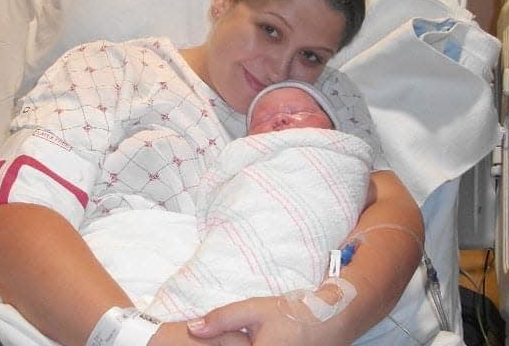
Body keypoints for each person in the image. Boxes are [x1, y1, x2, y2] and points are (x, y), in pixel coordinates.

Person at [0, 0, 423, 346]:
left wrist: (322, 319)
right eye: (270, 30)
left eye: (312, 56)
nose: (281, 68)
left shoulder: (332, 101)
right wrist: (141, 339)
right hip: (91, 318)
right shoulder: (114, 71)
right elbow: (10, 218)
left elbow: (395, 217)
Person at [139, 80, 372, 322]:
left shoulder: (341, 159)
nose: (281, 119)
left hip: (306, 278)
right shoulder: (248, 159)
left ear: (333, 129)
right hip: (240, 241)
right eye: (263, 120)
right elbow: (229, 193)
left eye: (299, 112)